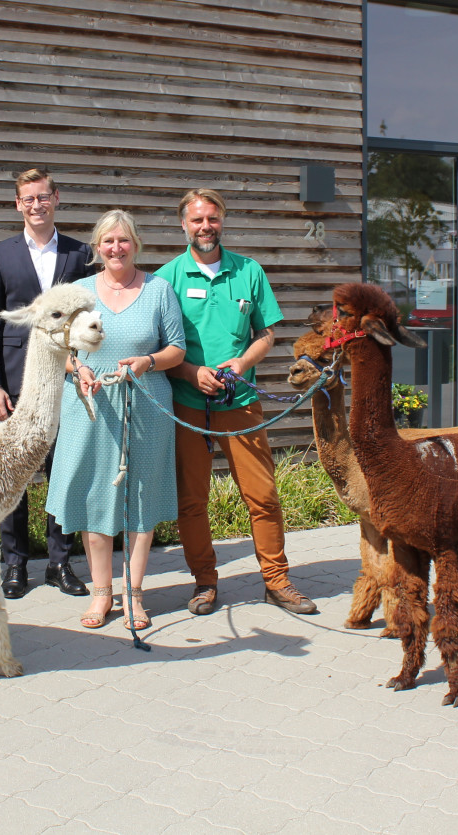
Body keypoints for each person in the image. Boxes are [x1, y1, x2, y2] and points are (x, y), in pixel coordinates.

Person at [158, 188, 318, 616]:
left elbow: (267, 334)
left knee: (262, 495)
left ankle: (277, 580)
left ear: (222, 221)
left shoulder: (249, 271)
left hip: (241, 403)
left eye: (212, 218)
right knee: (192, 501)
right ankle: (205, 582)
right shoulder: (166, 279)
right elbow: (159, 348)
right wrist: (192, 372)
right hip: (188, 406)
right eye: (197, 220)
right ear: (183, 225)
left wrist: (242, 362)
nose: (205, 227)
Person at [48, 210, 185, 630]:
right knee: (94, 498)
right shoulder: (79, 291)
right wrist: (77, 367)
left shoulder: (159, 290)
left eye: (123, 240)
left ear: (135, 244)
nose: (116, 248)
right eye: (108, 241)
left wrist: (147, 361)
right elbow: (57, 344)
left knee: (139, 501)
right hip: (90, 408)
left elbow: (176, 349)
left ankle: (134, 593)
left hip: (145, 408)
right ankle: (102, 594)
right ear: (97, 247)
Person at [0, 168, 95, 600]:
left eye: (42, 197)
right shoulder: (0, 255)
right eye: (27, 199)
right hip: (14, 382)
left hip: (64, 382)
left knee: (61, 472)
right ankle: (14, 564)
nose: (36, 205)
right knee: (12, 474)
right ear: (17, 204)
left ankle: (60, 563)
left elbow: (85, 317)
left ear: (55, 198)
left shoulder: (79, 253)